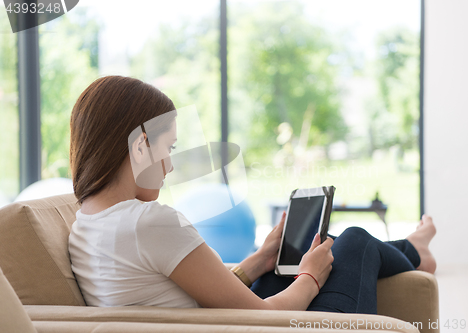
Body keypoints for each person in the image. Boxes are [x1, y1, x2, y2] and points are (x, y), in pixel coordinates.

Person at [68, 75, 436, 313]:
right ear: (141, 147)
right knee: (353, 241)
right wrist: (308, 279)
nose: (170, 167)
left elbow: (178, 296)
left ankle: (412, 248)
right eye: (170, 149)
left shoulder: (85, 223)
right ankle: (415, 251)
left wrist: (257, 261)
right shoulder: (149, 222)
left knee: (313, 249)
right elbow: (261, 316)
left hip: (220, 321)